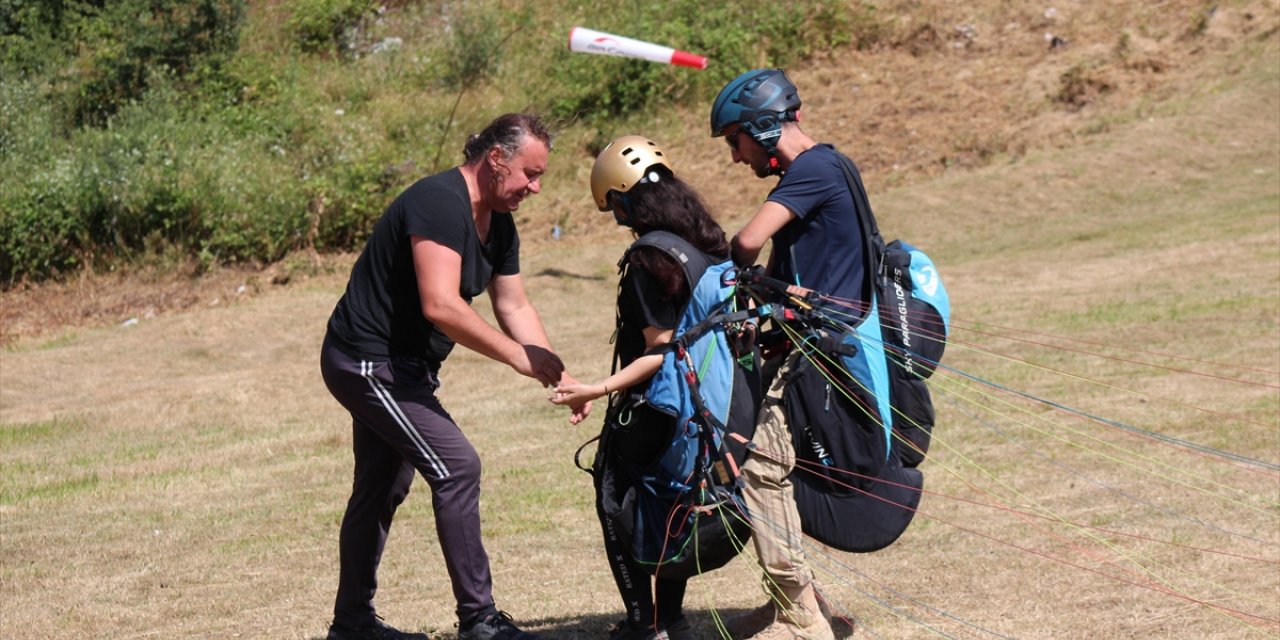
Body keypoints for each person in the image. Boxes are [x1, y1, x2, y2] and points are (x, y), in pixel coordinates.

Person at [320, 112, 590, 640]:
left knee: (381, 486)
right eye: (529, 175)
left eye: (540, 177)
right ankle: (479, 621)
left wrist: (553, 368)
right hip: (367, 361)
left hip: (405, 368)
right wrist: (517, 357)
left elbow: (512, 302)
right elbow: (441, 305)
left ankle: (352, 624)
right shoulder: (438, 202)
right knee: (457, 466)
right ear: (495, 160)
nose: (534, 188)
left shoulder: (498, 221)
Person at [550, 135, 733, 640]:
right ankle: (669, 618)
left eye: (614, 205)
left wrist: (597, 388)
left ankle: (642, 622)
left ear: (627, 197)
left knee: (613, 496)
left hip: (659, 404)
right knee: (673, 502)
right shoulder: (705, 240)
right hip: (710, 402)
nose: (616, 217)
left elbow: (660, 350)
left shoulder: (647, 261)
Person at [709, 68, 859, 640]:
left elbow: (746, 243)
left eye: (735, 141)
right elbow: (782, 265)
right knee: (773, 470)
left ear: (763, 127)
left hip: (817, 350)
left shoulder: (810, 171)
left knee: (761, 468)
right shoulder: (832, 165)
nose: (735, 156)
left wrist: (739, 266)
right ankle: (796, 601)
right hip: (809, 341)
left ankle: (802, 618)